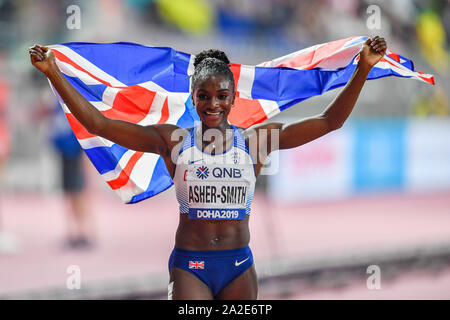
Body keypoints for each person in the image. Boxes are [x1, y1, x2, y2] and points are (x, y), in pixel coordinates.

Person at [28, 36, 387, 299]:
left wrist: (363, 68)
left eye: (221, 96)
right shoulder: (171, 141)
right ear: (193, 96)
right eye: (203, 96)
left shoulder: (256, 141)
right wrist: (54, 73)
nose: (212, 103)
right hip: (190, 267)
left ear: (233, 98)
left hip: (239, 267)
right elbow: (99, 125)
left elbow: (329, 121)